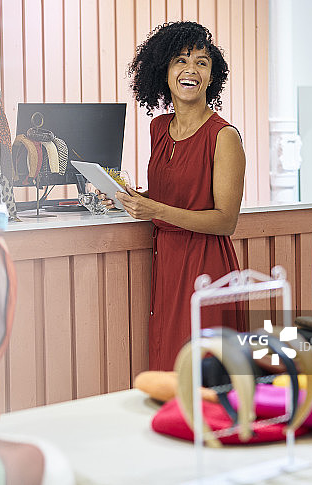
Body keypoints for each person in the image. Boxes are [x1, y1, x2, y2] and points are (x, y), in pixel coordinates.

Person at [102, 21, 247, 371]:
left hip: (205, 265)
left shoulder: (223, 136)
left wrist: (155, 208)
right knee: (169, 365)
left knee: (204, 372)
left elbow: (225, 220)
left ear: (212, 77)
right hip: (166, 261)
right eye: (181, 60)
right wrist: (132, 197)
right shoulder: (158, 128)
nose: (191, 70)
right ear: (164, 71)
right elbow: (173, 192)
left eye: (201, 62)